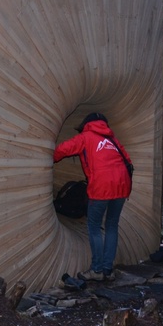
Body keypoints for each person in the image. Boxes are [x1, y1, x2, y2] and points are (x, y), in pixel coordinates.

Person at [54, 112, 133, 281]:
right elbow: (128, 161)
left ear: (86, 124)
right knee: (112, 225)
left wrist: (49, 159)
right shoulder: (113, 141)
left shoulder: (85, 137)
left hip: (101, 187)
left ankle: (96, 270)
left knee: (94, 227)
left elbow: (62, 149)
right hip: (122, 186)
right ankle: (107, 269)